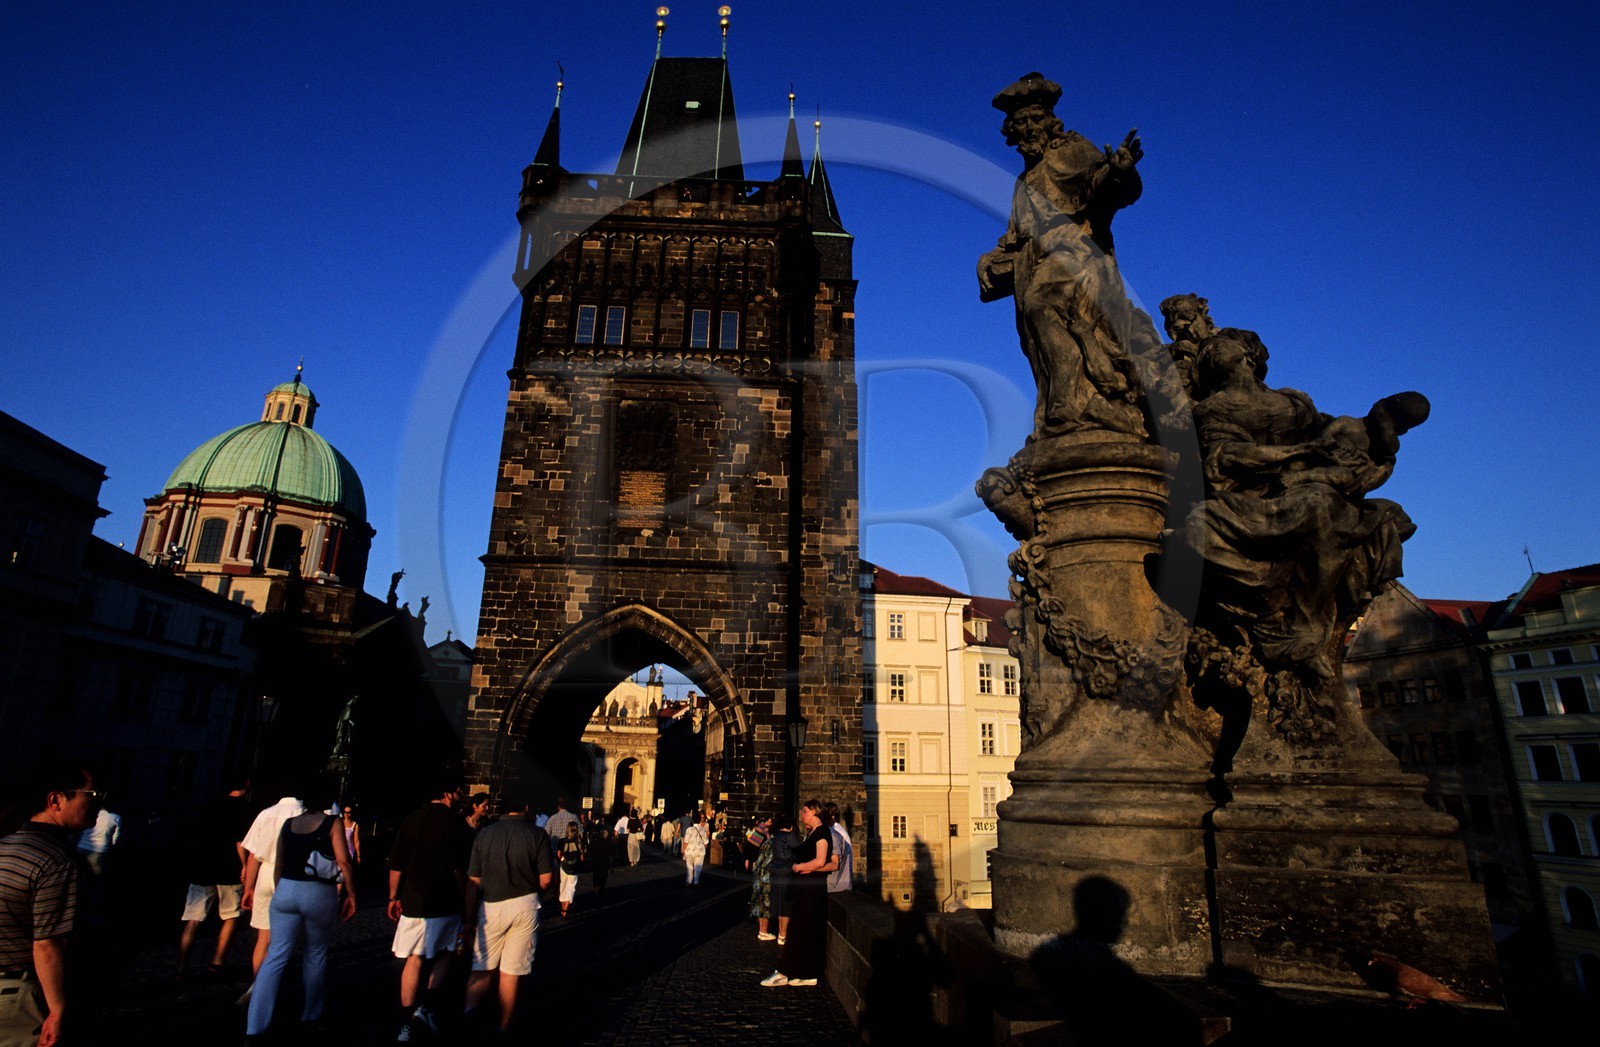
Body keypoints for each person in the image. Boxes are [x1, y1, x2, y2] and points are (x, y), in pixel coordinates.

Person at [977, 72, 1164, 439]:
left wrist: (1120, 173)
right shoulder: (1025, 180)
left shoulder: (1071, 149)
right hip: (1037, 262)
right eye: (1021, 123)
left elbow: (1102, 186)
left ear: (1049, 121)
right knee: (1034, 330)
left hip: (1076, 256)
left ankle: (1072, 403)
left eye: (1035, 120)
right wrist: (991, 259)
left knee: (1040, 307)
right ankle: (1061, 404)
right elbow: (1016, 238)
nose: (1028, 129)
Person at [244, 780, 357, 1040]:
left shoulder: (289, 825)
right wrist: (351, 893)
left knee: (275, 956)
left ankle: (255, 1026)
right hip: (317, 891)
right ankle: (310, 1016)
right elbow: (343, 861)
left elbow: (279, 865)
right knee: (315, 954)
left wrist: (280, 890)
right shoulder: (332, 823)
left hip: (286, 889)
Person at [0, 762, 100, 1047]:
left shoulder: (6, 845)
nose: (99, 805)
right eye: (92, 796)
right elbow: (48, 942)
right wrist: (57, 1010)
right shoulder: (56, 861)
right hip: (22, 994)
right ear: (56, 800)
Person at [387, 779, 471, 1041]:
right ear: (447, 794)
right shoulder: (455, 823)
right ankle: (428, 1007)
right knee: (447, 952)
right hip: (445, 900)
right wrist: (463, 895)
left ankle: (406, 1021)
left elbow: (396, 864)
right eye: (458, 792)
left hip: (413, 900)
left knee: (414, 957)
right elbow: (460, 869)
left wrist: (393, 896)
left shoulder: (411, 819)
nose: (460, 796)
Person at [463, 796, 553, 1034]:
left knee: (481, 967)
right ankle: (503, 1026)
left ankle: (469, 1012)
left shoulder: (484, 834)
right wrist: (532, 895)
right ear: (524, 808)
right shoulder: (537, 834)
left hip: (490, 906)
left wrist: (469, 919)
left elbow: (472, 881)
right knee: (511, 972)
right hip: (525, 905)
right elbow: (546, 880)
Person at [176, 780, 252, 978]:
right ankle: (217, 962)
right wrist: (245, 866)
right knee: (231, 915)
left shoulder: (209, 805)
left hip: (203, 867)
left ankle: (182, 967)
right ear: (247, 785)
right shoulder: (244, 809)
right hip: (229, 869)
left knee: (193, 918)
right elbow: (240, 841)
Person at [241, 787, 308, 986]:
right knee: (285, 936)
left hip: (265, 874)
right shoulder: (303, 814)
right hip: (291, 875)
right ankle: (275, 982)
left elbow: (253, 854)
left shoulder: (266, 814)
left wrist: (249, 888)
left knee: (264, 936)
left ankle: (257, 984)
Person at [761, 800, 832, 988]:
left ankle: (798, 972)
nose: (802, 815)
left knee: (804, 929)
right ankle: (796, 970)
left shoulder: (823, 833)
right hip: (805, 887)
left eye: (805, 811)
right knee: (800, 929)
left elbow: (820, 861)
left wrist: (799, 867)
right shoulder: (814, 833)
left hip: (812, 889)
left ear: (816, 812)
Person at [746, 816, 776, 940]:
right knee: (763, 899)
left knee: (758, 897)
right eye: (770, 821)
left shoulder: (761, 830)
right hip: (762, 868)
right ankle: (762, 929)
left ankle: (760, 927)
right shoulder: (763, 831)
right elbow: (753, 847)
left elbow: (750, 846)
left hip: (758, 867)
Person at [824, 802, 853, 895]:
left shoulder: (835, 831)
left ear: (832, 817)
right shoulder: (836, 829)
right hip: (841, 881)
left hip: (837, 883)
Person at [556, 823, 584, 918]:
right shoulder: (579, 841)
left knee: (563, 886)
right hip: (574, 868)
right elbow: (582, 857)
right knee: (570, 888)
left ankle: (563, 908)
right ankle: (566, 909)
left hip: (564, 866)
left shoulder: (562, 841)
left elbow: (559, 855)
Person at [585, 819, 611, 906]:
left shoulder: (594, 843)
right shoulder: (607, 845)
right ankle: (601, 895)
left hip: (596, 865)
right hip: (604, 866)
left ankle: (597, 893)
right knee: (603, 881)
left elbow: (589, 853)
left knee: (596, 881)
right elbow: (610, 856)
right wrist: (611, 866)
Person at [681, 811, 710, 885]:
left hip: (690, 850)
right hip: (700, 851)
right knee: (698, 868)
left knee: (689, 866)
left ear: (693, 820)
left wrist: (683, 850)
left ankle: (689, 880)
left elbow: (686, 841)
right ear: (700, 820)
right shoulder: (703, 829)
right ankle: (696, 881)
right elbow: (706, 842)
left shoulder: (689, 829)